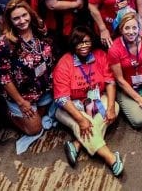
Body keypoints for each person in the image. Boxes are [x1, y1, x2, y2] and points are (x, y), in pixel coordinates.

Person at [53, 26, 124, 176]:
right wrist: (81, 120)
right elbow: (62, 99)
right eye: (79, 42)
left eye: (86, 42)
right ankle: (110, 157)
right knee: (84, 124)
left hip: (95, 101)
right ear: (72, 44)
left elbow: (110, 82)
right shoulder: (64, 63)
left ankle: (77, 144)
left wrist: (110, 107)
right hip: (70, 107)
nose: (83, 46)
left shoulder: (100, 55)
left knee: (115, 107)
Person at [0, 0, 56, 154]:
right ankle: (8, 113)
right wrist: (21, 102)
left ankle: (35, 112)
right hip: (22, 95)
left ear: (30, 13)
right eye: (16, 18)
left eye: (24, 15)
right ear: (9, 21)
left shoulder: (40, 28)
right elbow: (4, 77)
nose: (22, 21)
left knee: (51, 109)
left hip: (43, 88)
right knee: (35, 129)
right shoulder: (6, 43)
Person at [107, 9, 142, 133]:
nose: (131, 32)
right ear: (121, 29)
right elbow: (120, 80)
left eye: (134, 27)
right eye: (127, 28)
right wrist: (139, 99)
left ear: (139, 27)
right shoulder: (114, 50)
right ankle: (125, 101)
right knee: (140, 121)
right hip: (127, 88)